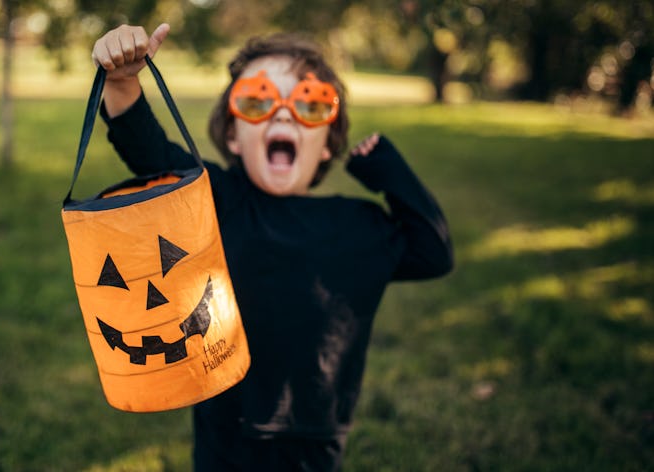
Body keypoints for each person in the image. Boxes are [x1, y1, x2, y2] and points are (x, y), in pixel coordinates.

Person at [92, 23, 453, 471]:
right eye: (258, 101)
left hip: (316, 439)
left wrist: (386, 168)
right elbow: (151, 155)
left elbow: (433, 250)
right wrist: (122, 81)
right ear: (231, 137)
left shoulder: (358, 227)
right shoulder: (217, 200)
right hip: (225, 434)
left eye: (310, 105)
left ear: (328, 144)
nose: (283, 115)